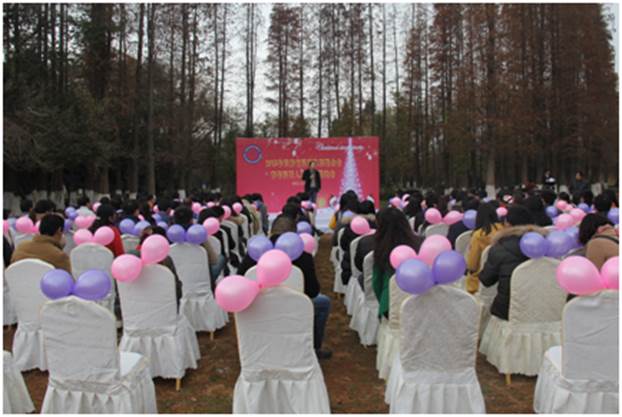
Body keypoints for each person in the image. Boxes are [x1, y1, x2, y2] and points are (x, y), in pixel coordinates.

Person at [236, 217, 332, 359]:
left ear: (270, 231)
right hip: (293, 308)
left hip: (259, 308)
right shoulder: (303, 256)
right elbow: (313, 291)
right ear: (294, 235)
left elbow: (240, 282)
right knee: (324, 303)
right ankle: (314, 347)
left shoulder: (254, 255)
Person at [479, 205, 544, 320]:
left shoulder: (499, 249)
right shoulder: (545, 245)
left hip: (507, 309)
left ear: (507, 224)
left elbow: (486, 280)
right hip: (541, 306)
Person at [372, 208, 424, 319]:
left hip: (391, 305)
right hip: (420, 301)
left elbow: (376, 283)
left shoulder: (381, 249)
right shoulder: (420, 243)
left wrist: (383, 302)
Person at [129, 226, 183, 312]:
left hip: (135, 311)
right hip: (163, 310)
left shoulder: (129, 260)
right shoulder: (165, 260)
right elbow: (176, 288)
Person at [465, 203, 504, 294]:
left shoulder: (478, 235)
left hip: (480, 281)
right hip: (501, 276)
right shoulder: (504, 230)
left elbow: (472, 265)